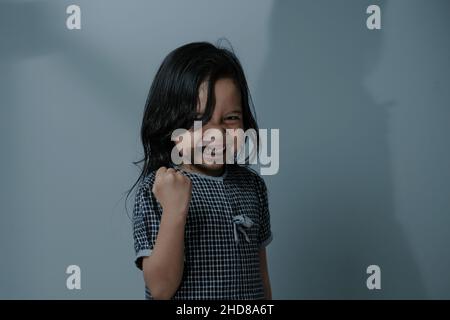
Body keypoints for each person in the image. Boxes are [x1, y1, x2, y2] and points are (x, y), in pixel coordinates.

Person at [132, 42, 273, 299]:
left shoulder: (253, 187)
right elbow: (160, 289)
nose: (217, 133)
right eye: (199, 120)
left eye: (230, 118)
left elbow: (261, 275)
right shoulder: (158, 188)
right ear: (171, 124)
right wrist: (175, 210)